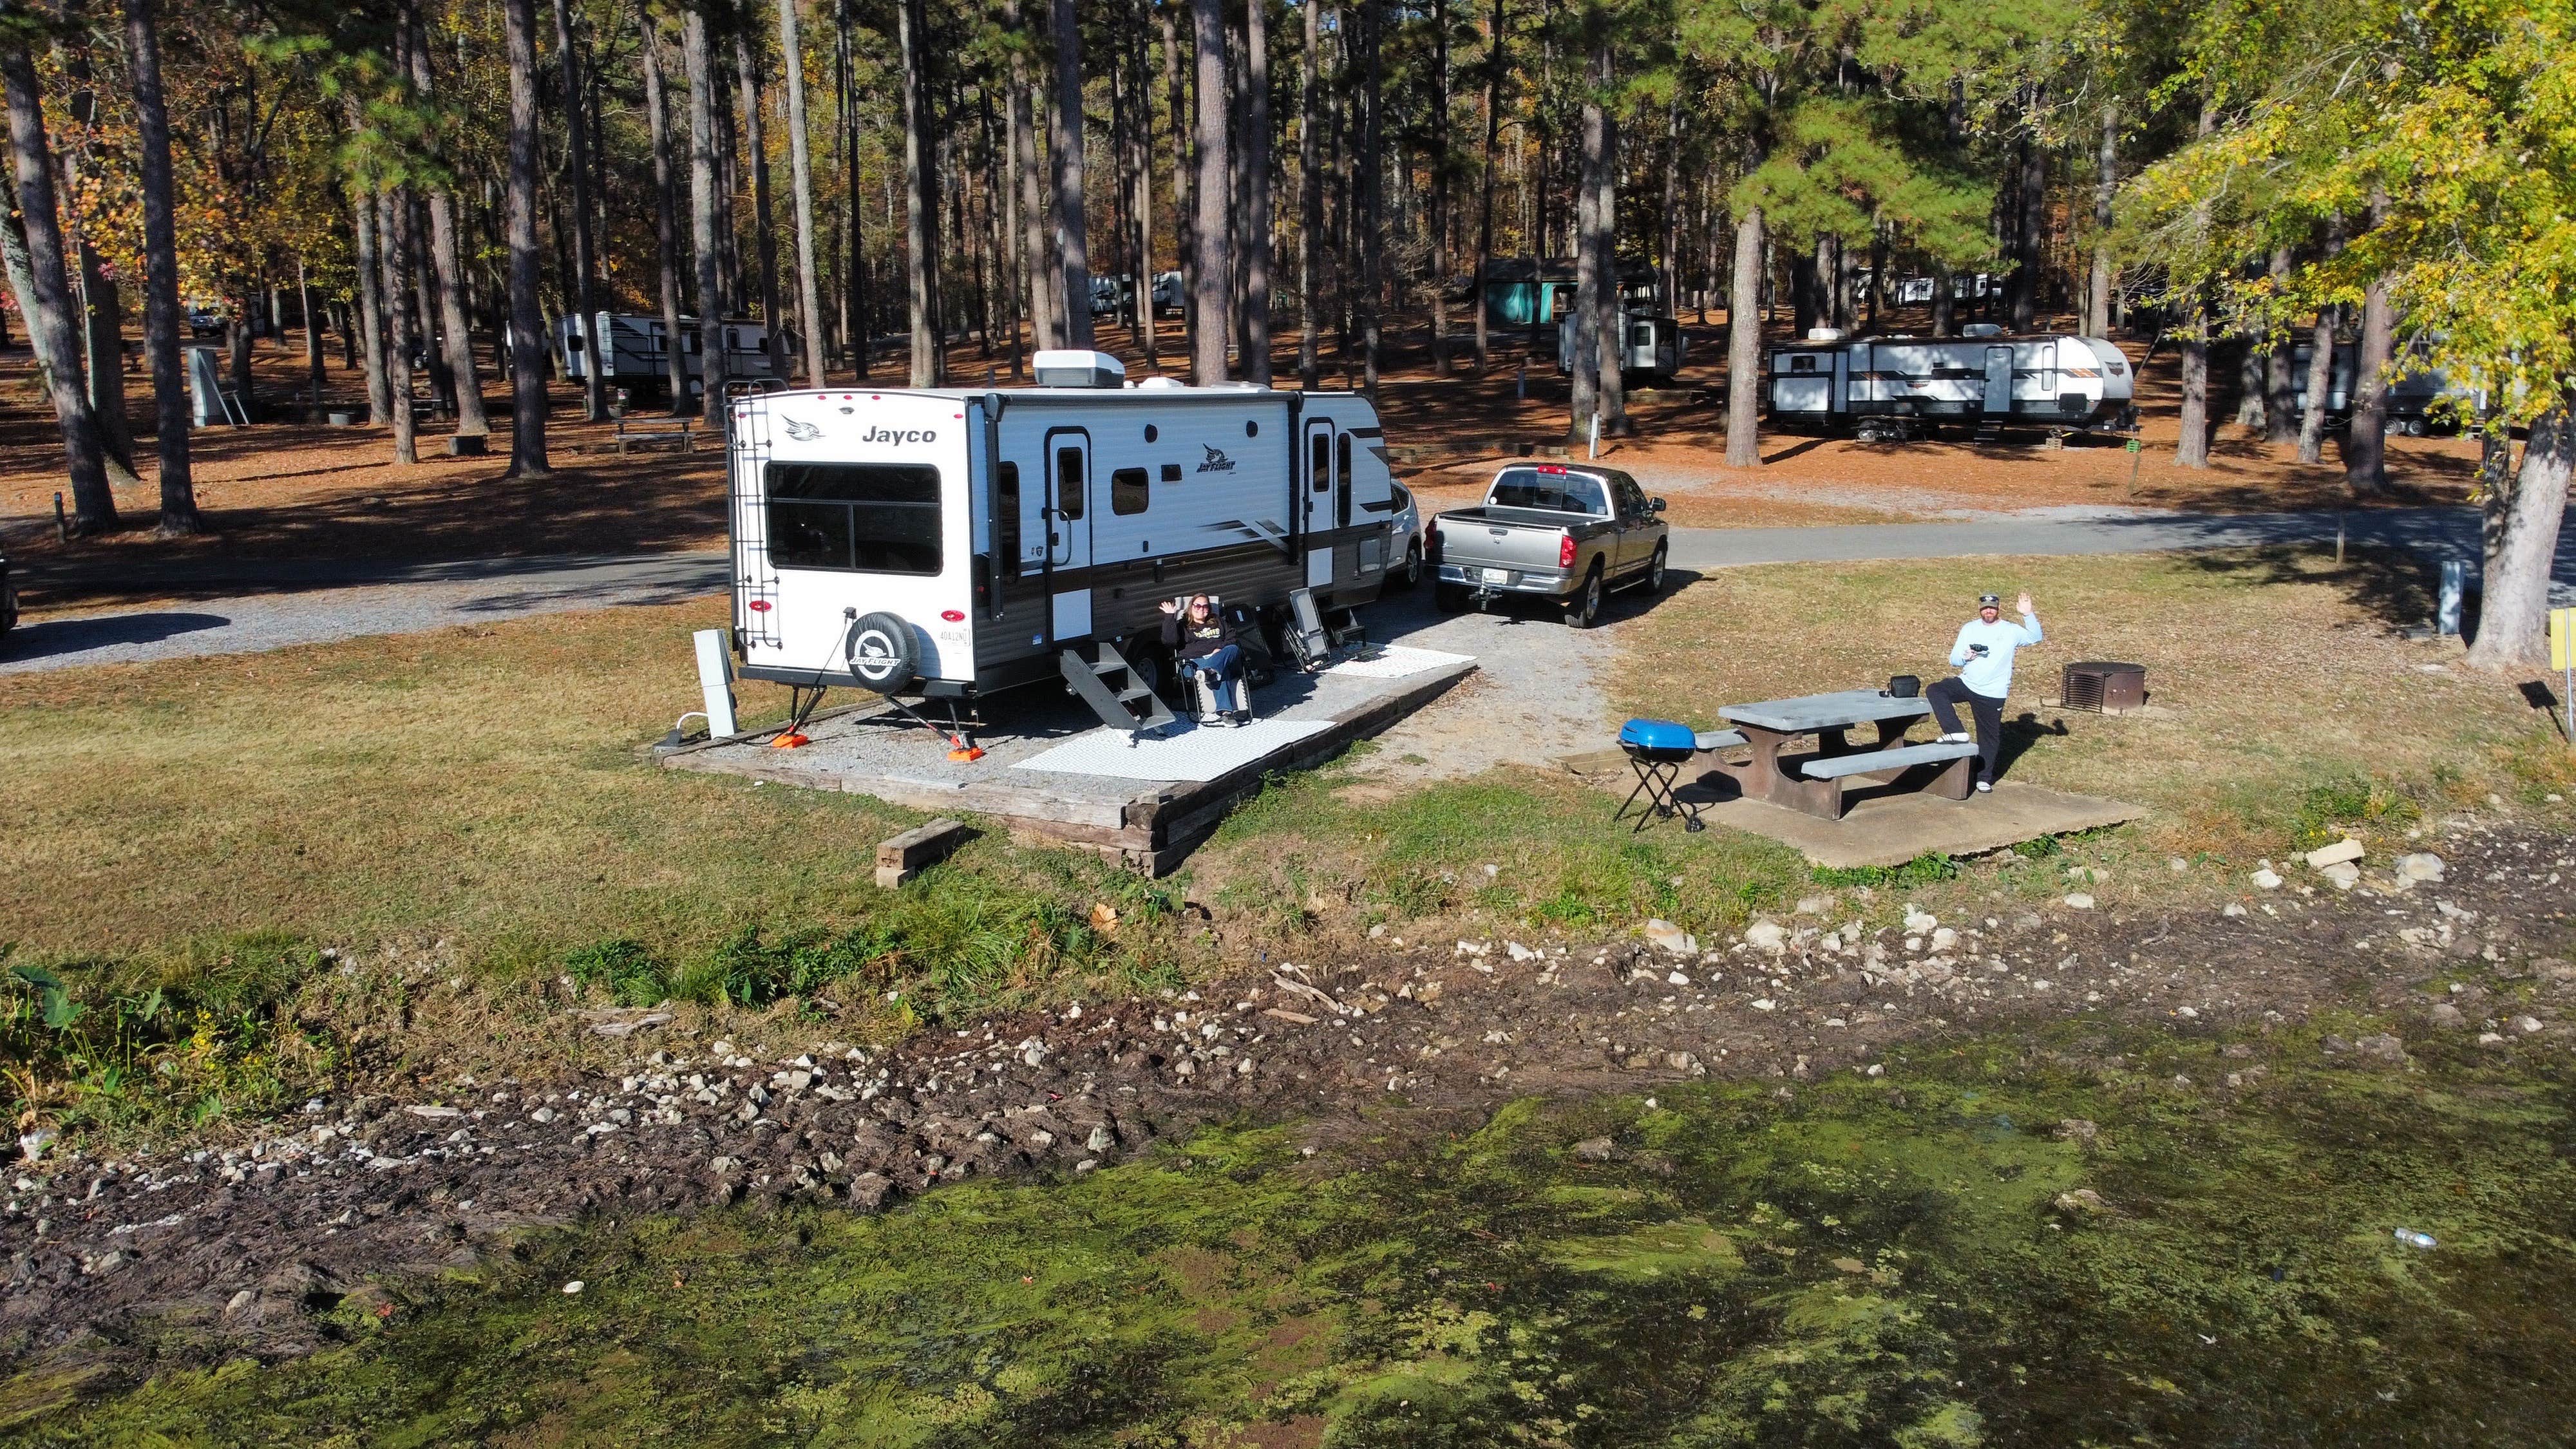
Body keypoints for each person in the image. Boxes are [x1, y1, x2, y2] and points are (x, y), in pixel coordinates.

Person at [1927, 591, 2040, 794]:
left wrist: (2028, 614)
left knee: (1989, 736)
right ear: (1980, 609)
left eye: (1993, 608)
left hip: (1993, 692)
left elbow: (2036, 637)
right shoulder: (1969, 628)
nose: (1989, 611)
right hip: (1967, 683)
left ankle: (1983, 779)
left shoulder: (2011, 630)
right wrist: (1966, 656)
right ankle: (1956, 732)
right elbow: (1954, 660)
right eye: (1985, 608)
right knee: (1936, 690)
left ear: (1998, 609)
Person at [1158, 594, 1250, 725]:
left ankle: (1210, 670)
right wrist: (1169, 616)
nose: (1202, 609)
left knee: (1233, 649)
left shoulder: (1217, 621)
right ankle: (1226, 714)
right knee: (1221, 670)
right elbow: (1169, 642)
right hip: (1194, 663)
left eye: (1206, 606)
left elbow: (1233, 637)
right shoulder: (1183, 625)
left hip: (1218, 658)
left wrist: (1219, 649)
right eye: (1198, 606)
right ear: (1191, 607)